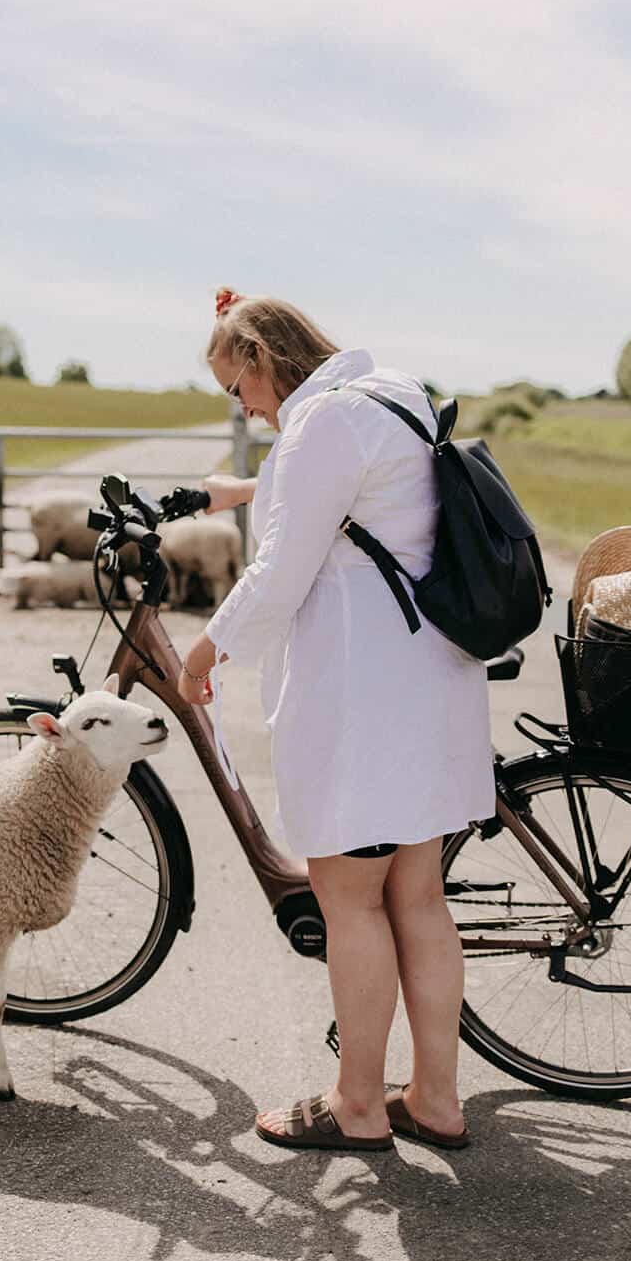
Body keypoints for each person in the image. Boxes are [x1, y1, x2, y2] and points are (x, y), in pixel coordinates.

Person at [176, 287, 494, 1154]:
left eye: (234, 386)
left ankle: (357, 1105)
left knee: (350, 902)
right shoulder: (392, 394)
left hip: (365, 699)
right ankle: (434, 1097)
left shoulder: (322, 425)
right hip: (431, 684)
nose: (241, 406)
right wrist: (238, 489)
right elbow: (352, 494)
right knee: (418, 898)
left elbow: (282, 569)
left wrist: (204, 650)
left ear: (258, 357)